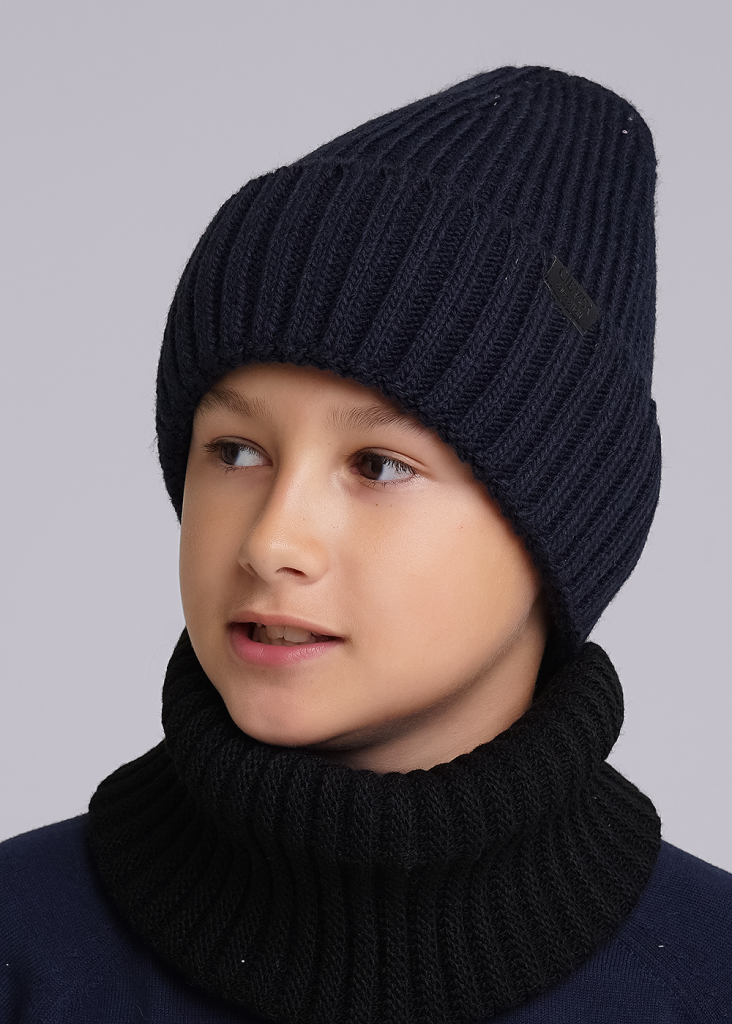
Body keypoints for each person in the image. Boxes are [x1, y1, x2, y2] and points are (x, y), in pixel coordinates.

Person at [2, 65, 731, 1024]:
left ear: (561, 522)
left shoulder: (707, 977)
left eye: (379, 466)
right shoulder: (22, 948)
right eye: (236, 450)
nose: (272, 542)